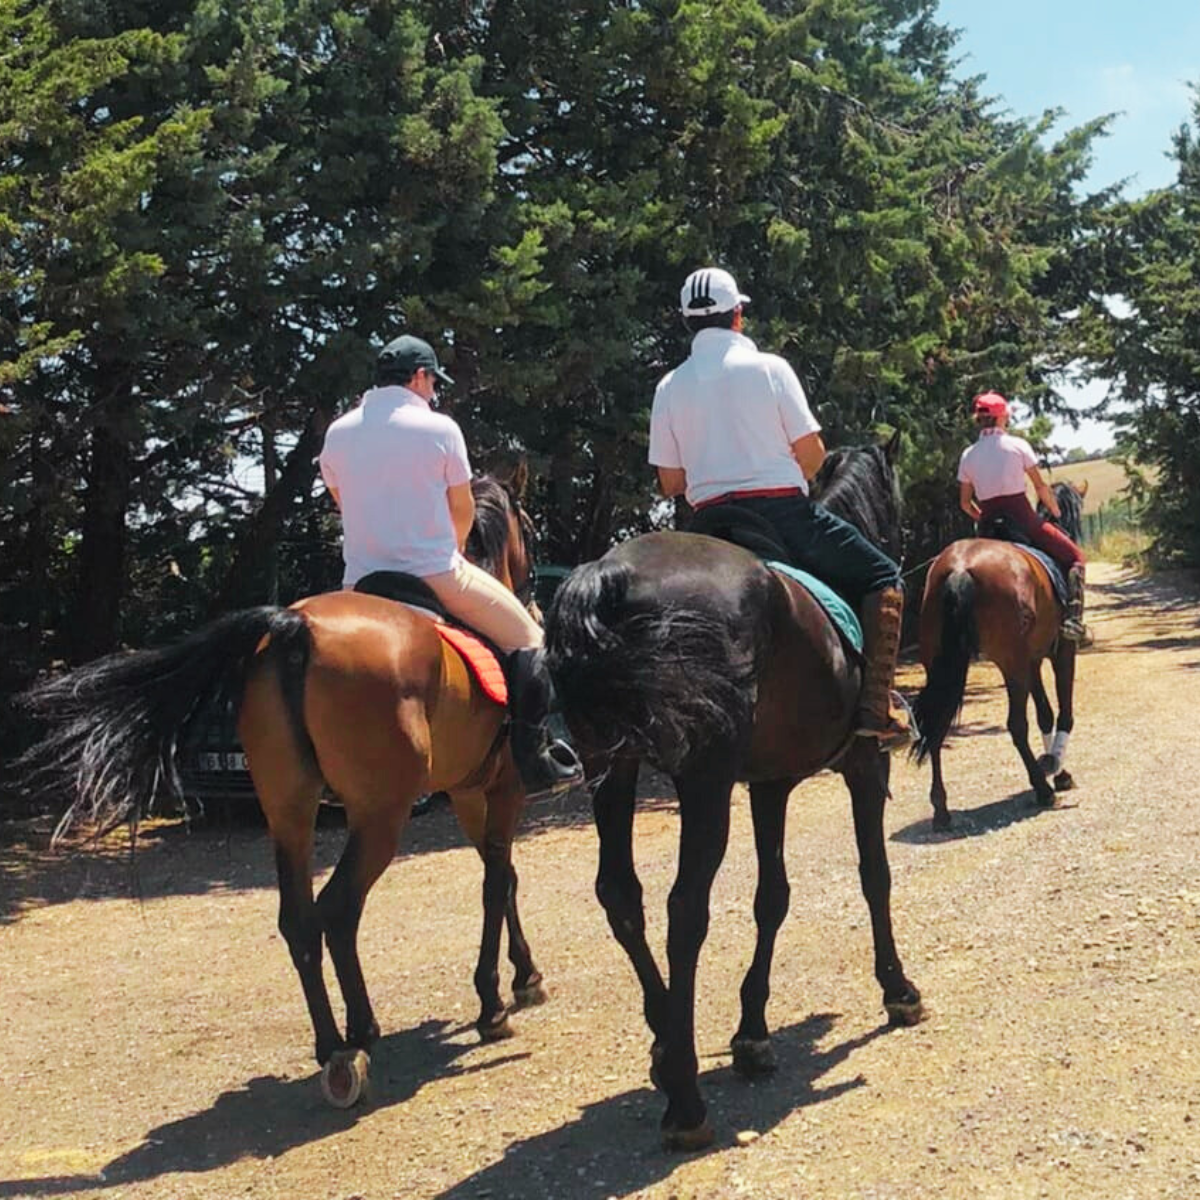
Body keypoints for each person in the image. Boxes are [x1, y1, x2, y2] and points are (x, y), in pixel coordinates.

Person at [648, 267, 913, 751]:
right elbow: (812, 457)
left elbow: (670, 482)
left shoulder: (668, 387)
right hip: (781, 515)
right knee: (883, 575)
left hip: (706, 529)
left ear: (687, 322)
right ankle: (877, 708)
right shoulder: (770, 368)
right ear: (738, 316)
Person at [318, 334, 583, 795]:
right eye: (433, 383)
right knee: (531, 639)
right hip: (434, 572)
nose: (434, 391)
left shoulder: (338, 433)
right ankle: (535, 758)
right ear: (419, 377)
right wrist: (455, 548)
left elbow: (342, 502)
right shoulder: (439, 428)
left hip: (359, 582)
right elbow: (462, 510)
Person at [957, 391, 1086, 640]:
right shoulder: (1018, 445)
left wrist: (983, 518)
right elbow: (1040, 487)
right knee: (1076, 557)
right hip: (1023, 518)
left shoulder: (968, 455)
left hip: (987, 525)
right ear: (1002, 417)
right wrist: (1055, 511)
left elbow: (964, 503)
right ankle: (1073, 620)